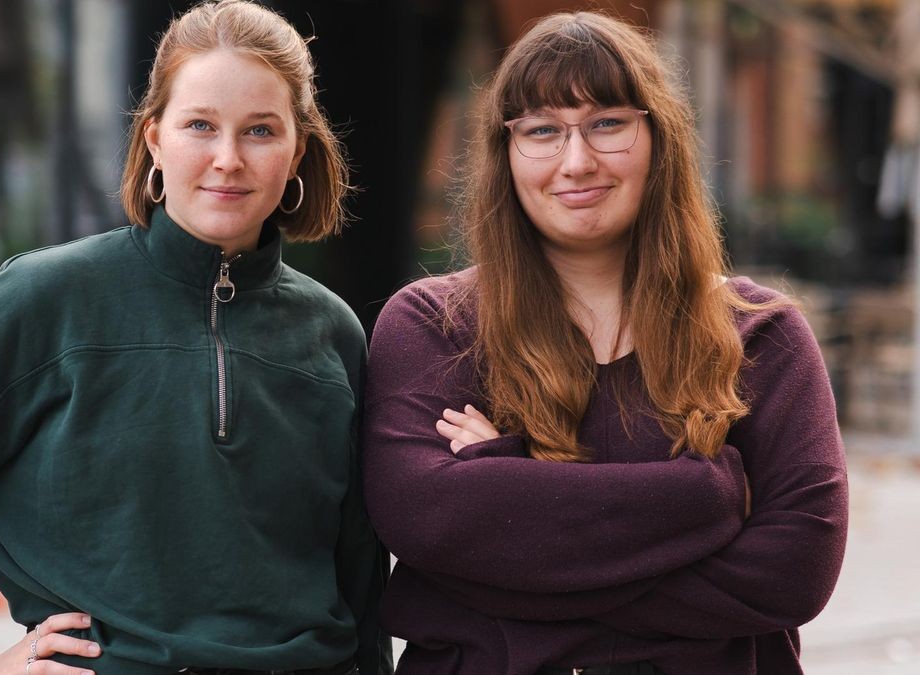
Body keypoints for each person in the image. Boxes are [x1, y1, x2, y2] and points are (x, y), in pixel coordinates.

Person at [0, 2, 390, 674]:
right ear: (155, 137)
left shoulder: (334, 334)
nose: (228, 158)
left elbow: (359, 582)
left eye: (260, 130)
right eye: (200, 125)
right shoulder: (45, 300)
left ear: (297, 151)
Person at [362, 11, 847, 675]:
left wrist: (511, 492)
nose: (577, 160)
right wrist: (705, 496)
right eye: (541, 130)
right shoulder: (431, 328)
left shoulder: (762, 336)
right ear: (505, 153)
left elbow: (794, 571)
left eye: (608, 123)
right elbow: (428, 522)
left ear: (657, 137)